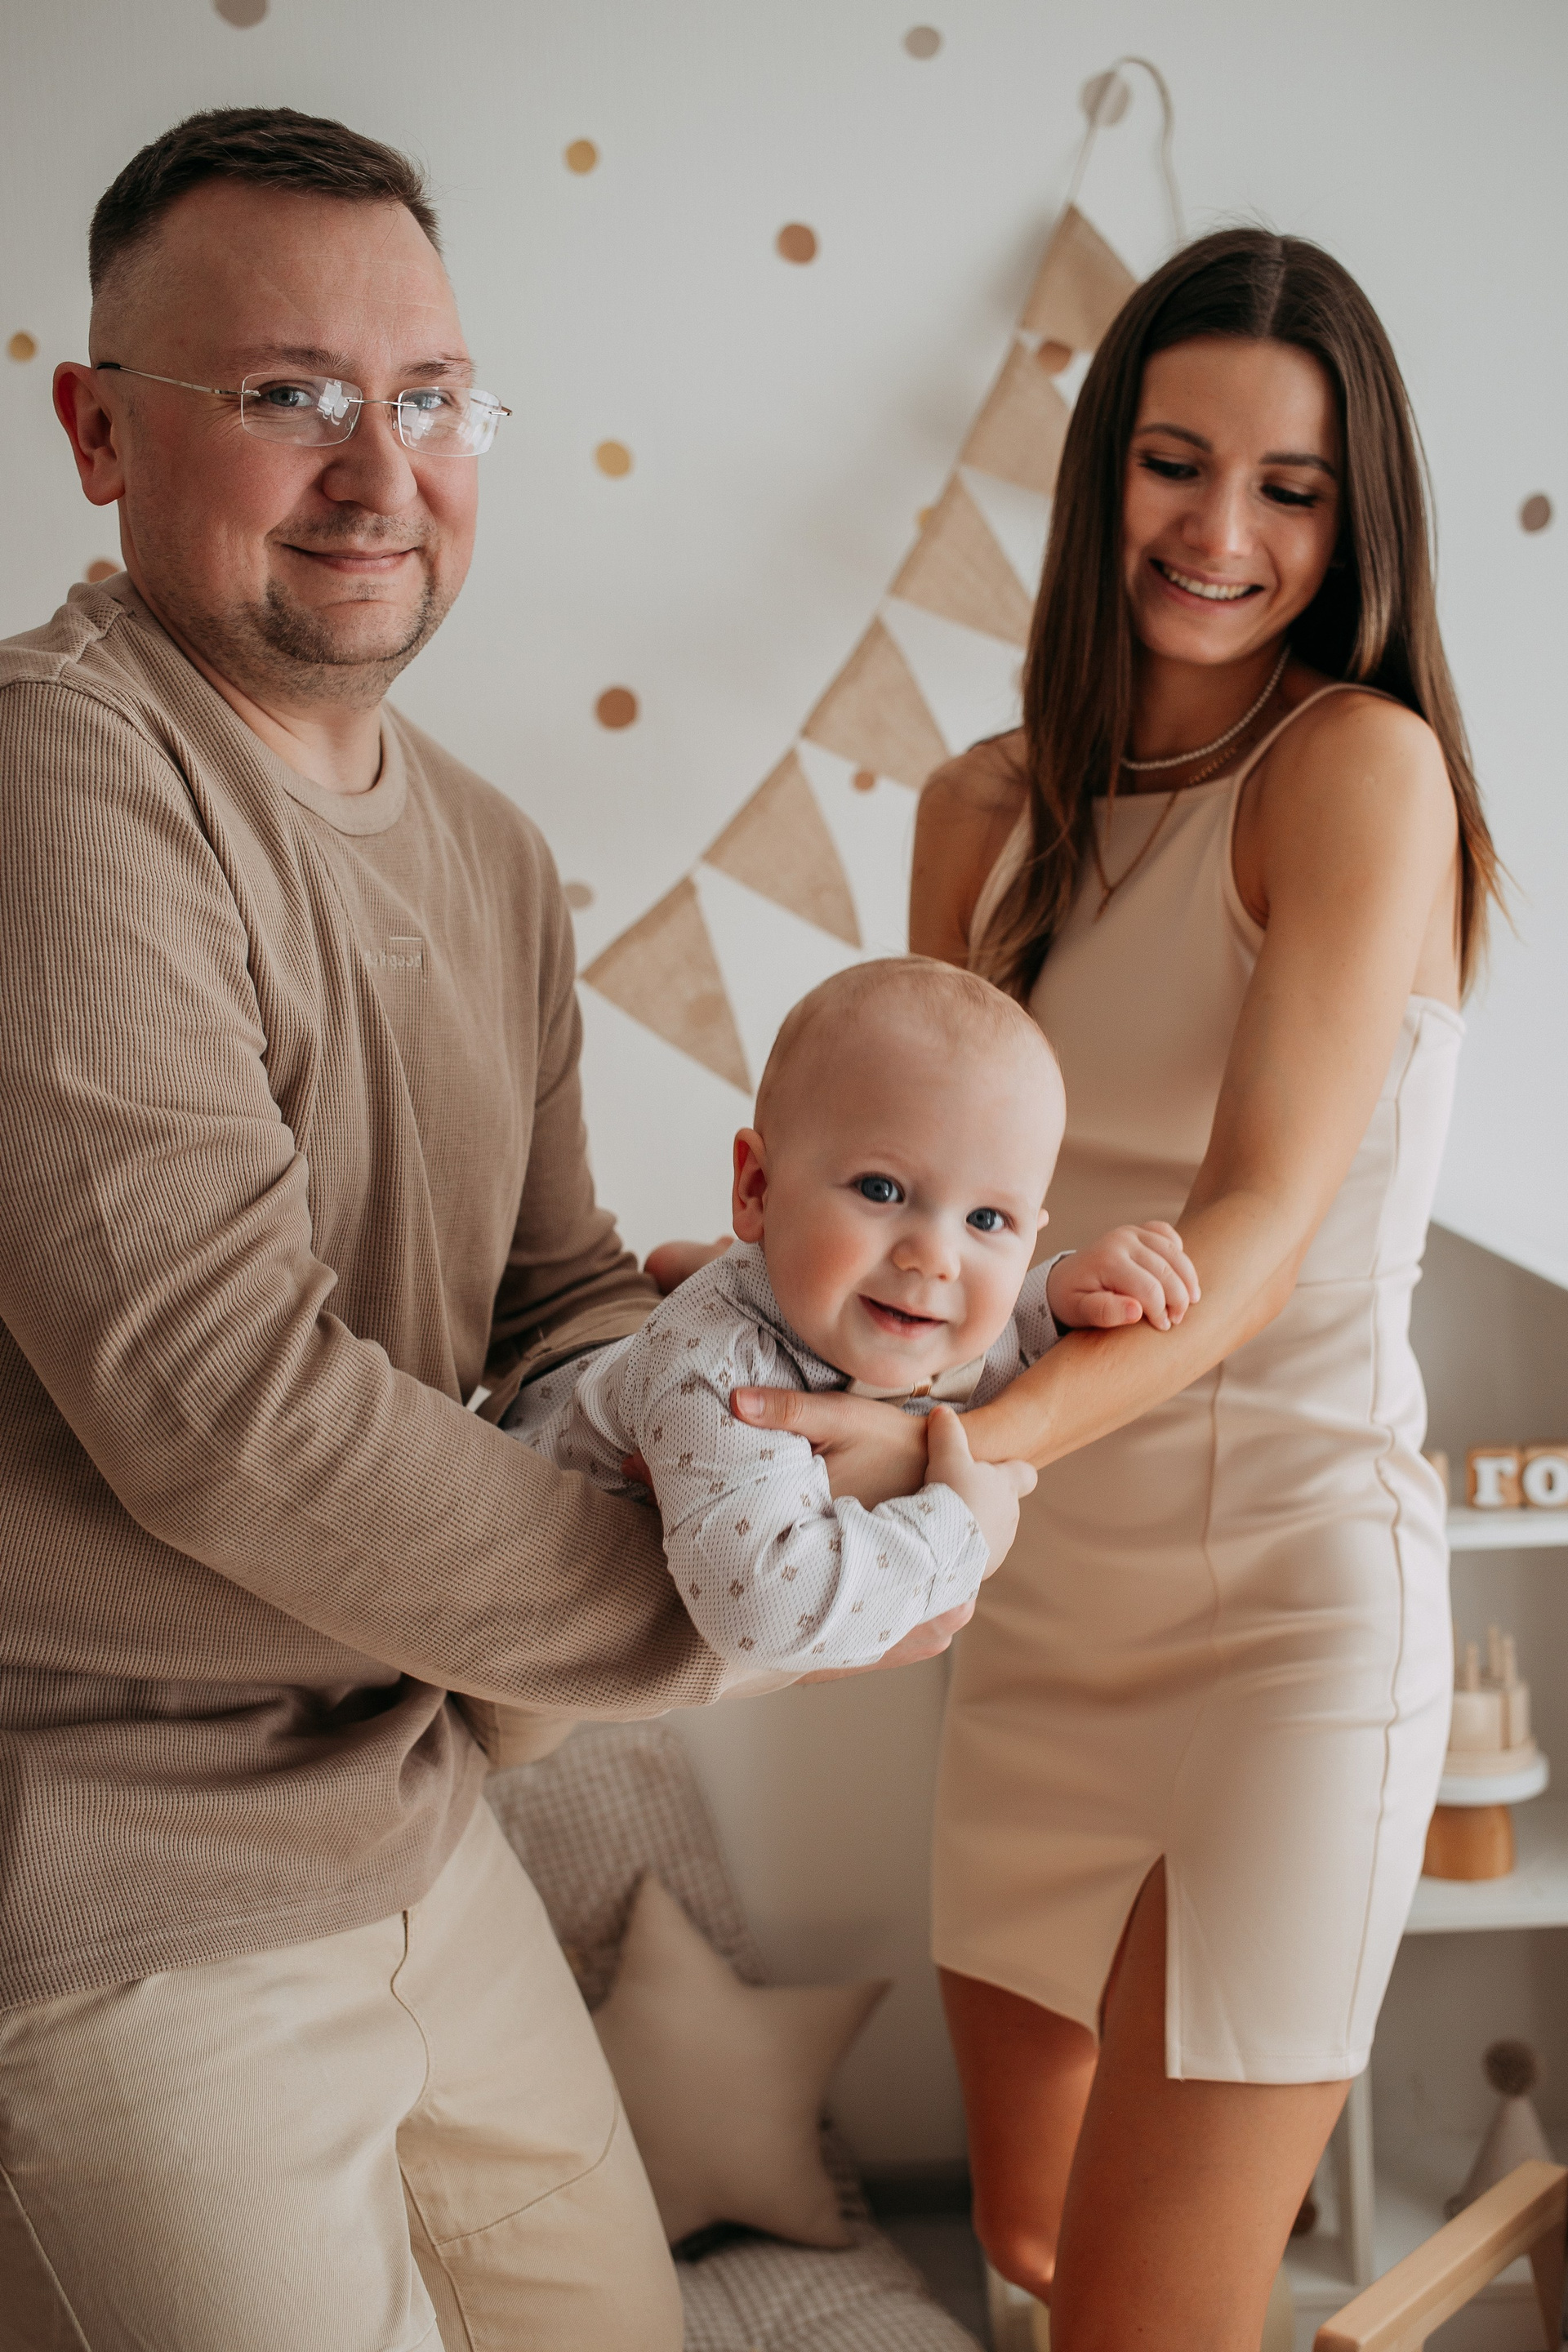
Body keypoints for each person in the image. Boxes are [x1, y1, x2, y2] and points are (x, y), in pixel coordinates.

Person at [0, 105, 943, 2352]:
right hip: (121, 1886)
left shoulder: (496, 856)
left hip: (420, 1822)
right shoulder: (62, 779)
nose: (379, 469)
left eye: (429, 397)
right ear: (99, 433)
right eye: (290, 394)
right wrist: (743, 1603)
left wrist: (782, 1390)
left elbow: (554, 1304)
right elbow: (224, 1412)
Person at [728, 229, 1500, 2350]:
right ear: (1101, 476)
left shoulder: (1358, 769)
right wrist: (755, 1312)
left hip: (1286, 1622)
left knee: (1153, 2323)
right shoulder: (981, 811)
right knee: (1033, 2248)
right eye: (1176, 463)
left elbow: (1253, 1231)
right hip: (1038, 1609)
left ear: (1354, 522)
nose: (1222, 531)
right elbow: (931, 1231)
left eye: (1291, 489)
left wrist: (955, 1451)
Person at [508, 957, 1198, 1672]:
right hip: (527, 1614)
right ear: (756, 1187)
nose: (935, 1259)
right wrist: (957, 1532)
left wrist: (1054, 1304)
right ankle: (700, 1278)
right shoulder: (719, 1377)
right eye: (882, 1189)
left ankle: (707, 1265)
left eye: (988, 1219)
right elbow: (762, 1612)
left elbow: (961, 1366)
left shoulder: (874, 1312)